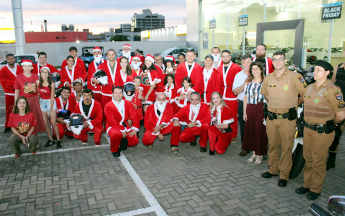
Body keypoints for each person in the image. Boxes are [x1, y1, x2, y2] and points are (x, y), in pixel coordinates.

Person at [295, 60, 345, 200]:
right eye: (315, 69)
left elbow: (341, 115)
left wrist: (331, 123)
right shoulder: (309, 87)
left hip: (323, 132)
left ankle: (315, 189)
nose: (315, 72)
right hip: (308, 130)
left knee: (318, 161)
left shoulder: (333, 90)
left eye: (319, 70)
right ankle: (306, 184)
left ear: (328, 73)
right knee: (308, 158)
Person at [260, 51, 306, 187]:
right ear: (272, 62)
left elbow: (305, 94)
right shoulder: (268, 78)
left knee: (287, 147)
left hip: (287, 119)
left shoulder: (295, 77)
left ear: (285, 61)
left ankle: (284, 174)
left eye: (280, 59)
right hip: (272, 118)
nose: (277, 61)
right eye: (275, 59)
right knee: (273, 145)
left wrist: (293, 105)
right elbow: (266, 95)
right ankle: (273, 169)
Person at [242, 62, 267, 165]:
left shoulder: (265, 83)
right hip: (250, 108)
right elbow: (245, 98)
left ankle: (260, 154)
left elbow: (268, 99)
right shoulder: (248, 83)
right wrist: (244, 112)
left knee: (259, 131)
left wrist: (266, 114)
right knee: (251, 131)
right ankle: (253, 153)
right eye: (253, 69)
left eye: (257, 68)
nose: (255, 71)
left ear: (261, 70)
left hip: (260, 108)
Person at [104, 87, 140, 157]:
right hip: (112, 126)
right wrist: (122, 129)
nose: (118, 95)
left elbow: (135, 115)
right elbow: (111, 121)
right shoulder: (108, 105)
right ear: (113, 94)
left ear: (123, 94)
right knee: (116, 134)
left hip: (125, 125)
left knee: (134, 141)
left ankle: (121, 142)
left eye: (120, 93)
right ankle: (114, 149)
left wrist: (135, 128)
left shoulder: (127, 102)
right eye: (116, 93)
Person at [14, 59, 45, 134]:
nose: (27, 68)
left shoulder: (35, 76)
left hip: (34, 101)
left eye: (29, 66)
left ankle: (33, 137)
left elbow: (38, 90)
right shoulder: (18, 77)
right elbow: (17, 91)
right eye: (25, 66)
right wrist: (16, 103)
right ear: (23, 67)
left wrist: (36, 99)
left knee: (33, 119)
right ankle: (24, 137)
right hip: (23, 101)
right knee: (24, 120)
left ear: (32, 67)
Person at [217, 50, 242, 143]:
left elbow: (240, 82)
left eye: (227, 56)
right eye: (223, 56)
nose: (225, 58)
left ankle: (233, 134)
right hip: (222, 95)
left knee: (233, 116)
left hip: (232, 95)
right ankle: (224, 132)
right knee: (223, 115)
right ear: (221, 58)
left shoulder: (236, 67)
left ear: (230, 57)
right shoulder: (219, 68)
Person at [233, 54, 252, 156]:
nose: (246, 64)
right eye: (244, 62)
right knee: (244, 127)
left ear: (252, 62)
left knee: (257, 127)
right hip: (241, 104)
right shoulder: (238, 75)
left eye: (248, 62)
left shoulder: (257, 73)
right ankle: (245, 147)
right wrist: (244, 84)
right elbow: (235, 91)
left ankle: (257, 148)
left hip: (255, 105)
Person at [37, 67, 61, 148]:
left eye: (46, 72)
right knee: (45, 123)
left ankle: (58, 140)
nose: (44, 74)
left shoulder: (52, 84)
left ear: (48, 74)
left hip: (50, 102)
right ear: (40, 73)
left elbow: (52, 97)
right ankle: (51, 140)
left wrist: (51, 109)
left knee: (53, 122)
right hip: (42, 102)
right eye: (43, 72)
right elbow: (38, 94)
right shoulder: (38, 82)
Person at [329, 50, 345, 170]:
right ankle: (331, 159)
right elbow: (331, 86)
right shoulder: (337, 68)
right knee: (336, 133)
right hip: (338, 107)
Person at [0, 53, 23, 133]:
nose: (11, 60)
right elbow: (2, 81)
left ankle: (19, 125)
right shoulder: (3, 69)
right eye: (9, 59)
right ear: (6, 60)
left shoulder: (19, 68)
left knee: (20, 109)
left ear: (14, 59)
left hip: (19, 92)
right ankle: (7, 125)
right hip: (9, 93)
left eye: (12, 58)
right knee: (9, 110)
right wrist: (6, 90)